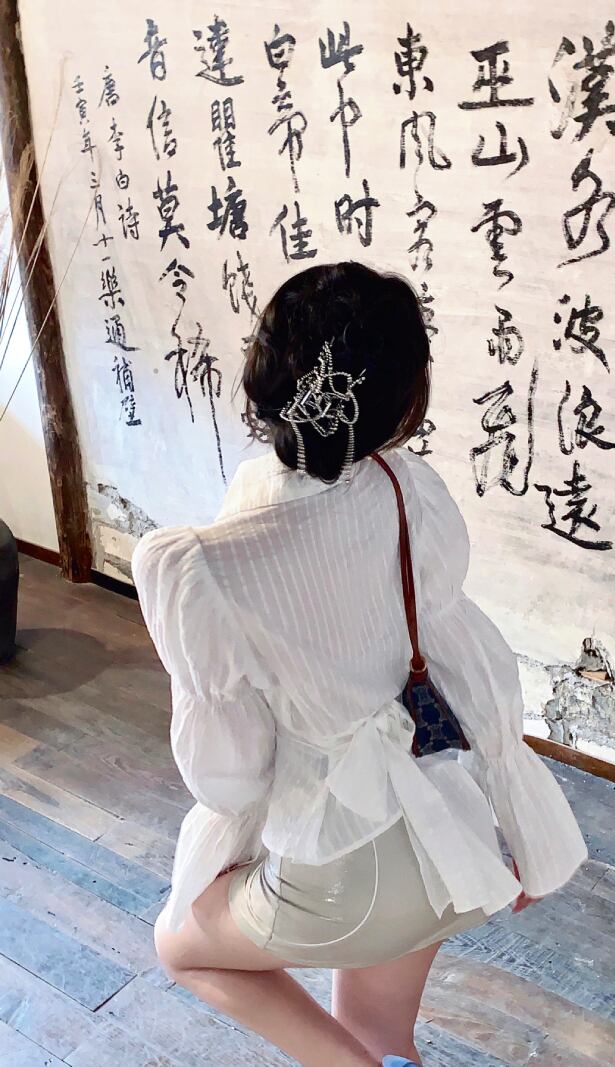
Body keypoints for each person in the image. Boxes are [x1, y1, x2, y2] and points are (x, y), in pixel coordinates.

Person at [132, 261, 588, 1067]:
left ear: (262, 380)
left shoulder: (198, 566)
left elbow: (228, 779)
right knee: (379, 1031)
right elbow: (473, 665)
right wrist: (526, 829)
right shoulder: (407, 490)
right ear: (402, 403)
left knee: (181, 947)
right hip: (449, 838)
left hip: (337, 876)